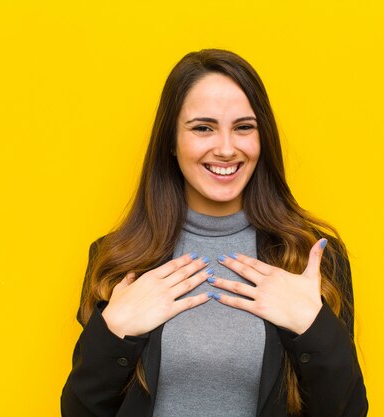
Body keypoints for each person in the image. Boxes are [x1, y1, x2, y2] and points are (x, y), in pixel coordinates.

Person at [61, 48, 368, 417]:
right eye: (203, 128)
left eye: (243, 127)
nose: (226, 148)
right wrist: (114, 332)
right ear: (171, 142)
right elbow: (79, 411)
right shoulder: (119, 258)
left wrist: (312, 328)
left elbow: (347, 411)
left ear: (262, 139)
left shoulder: (311, 259)